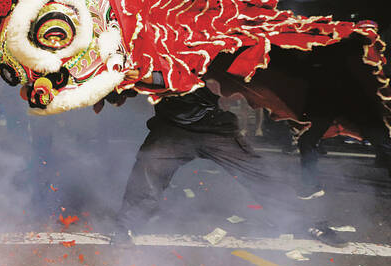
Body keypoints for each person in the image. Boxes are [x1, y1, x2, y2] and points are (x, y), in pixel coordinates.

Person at [111, 72, 347, 247]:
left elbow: (179, 76)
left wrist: (142, 75)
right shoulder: (146, 49)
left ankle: (307, 222)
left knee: (259, 174)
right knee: (148, 165)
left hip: (215, 128)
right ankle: (126, 226)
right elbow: (124, 85)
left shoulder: (195, 44)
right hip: (173, 129)